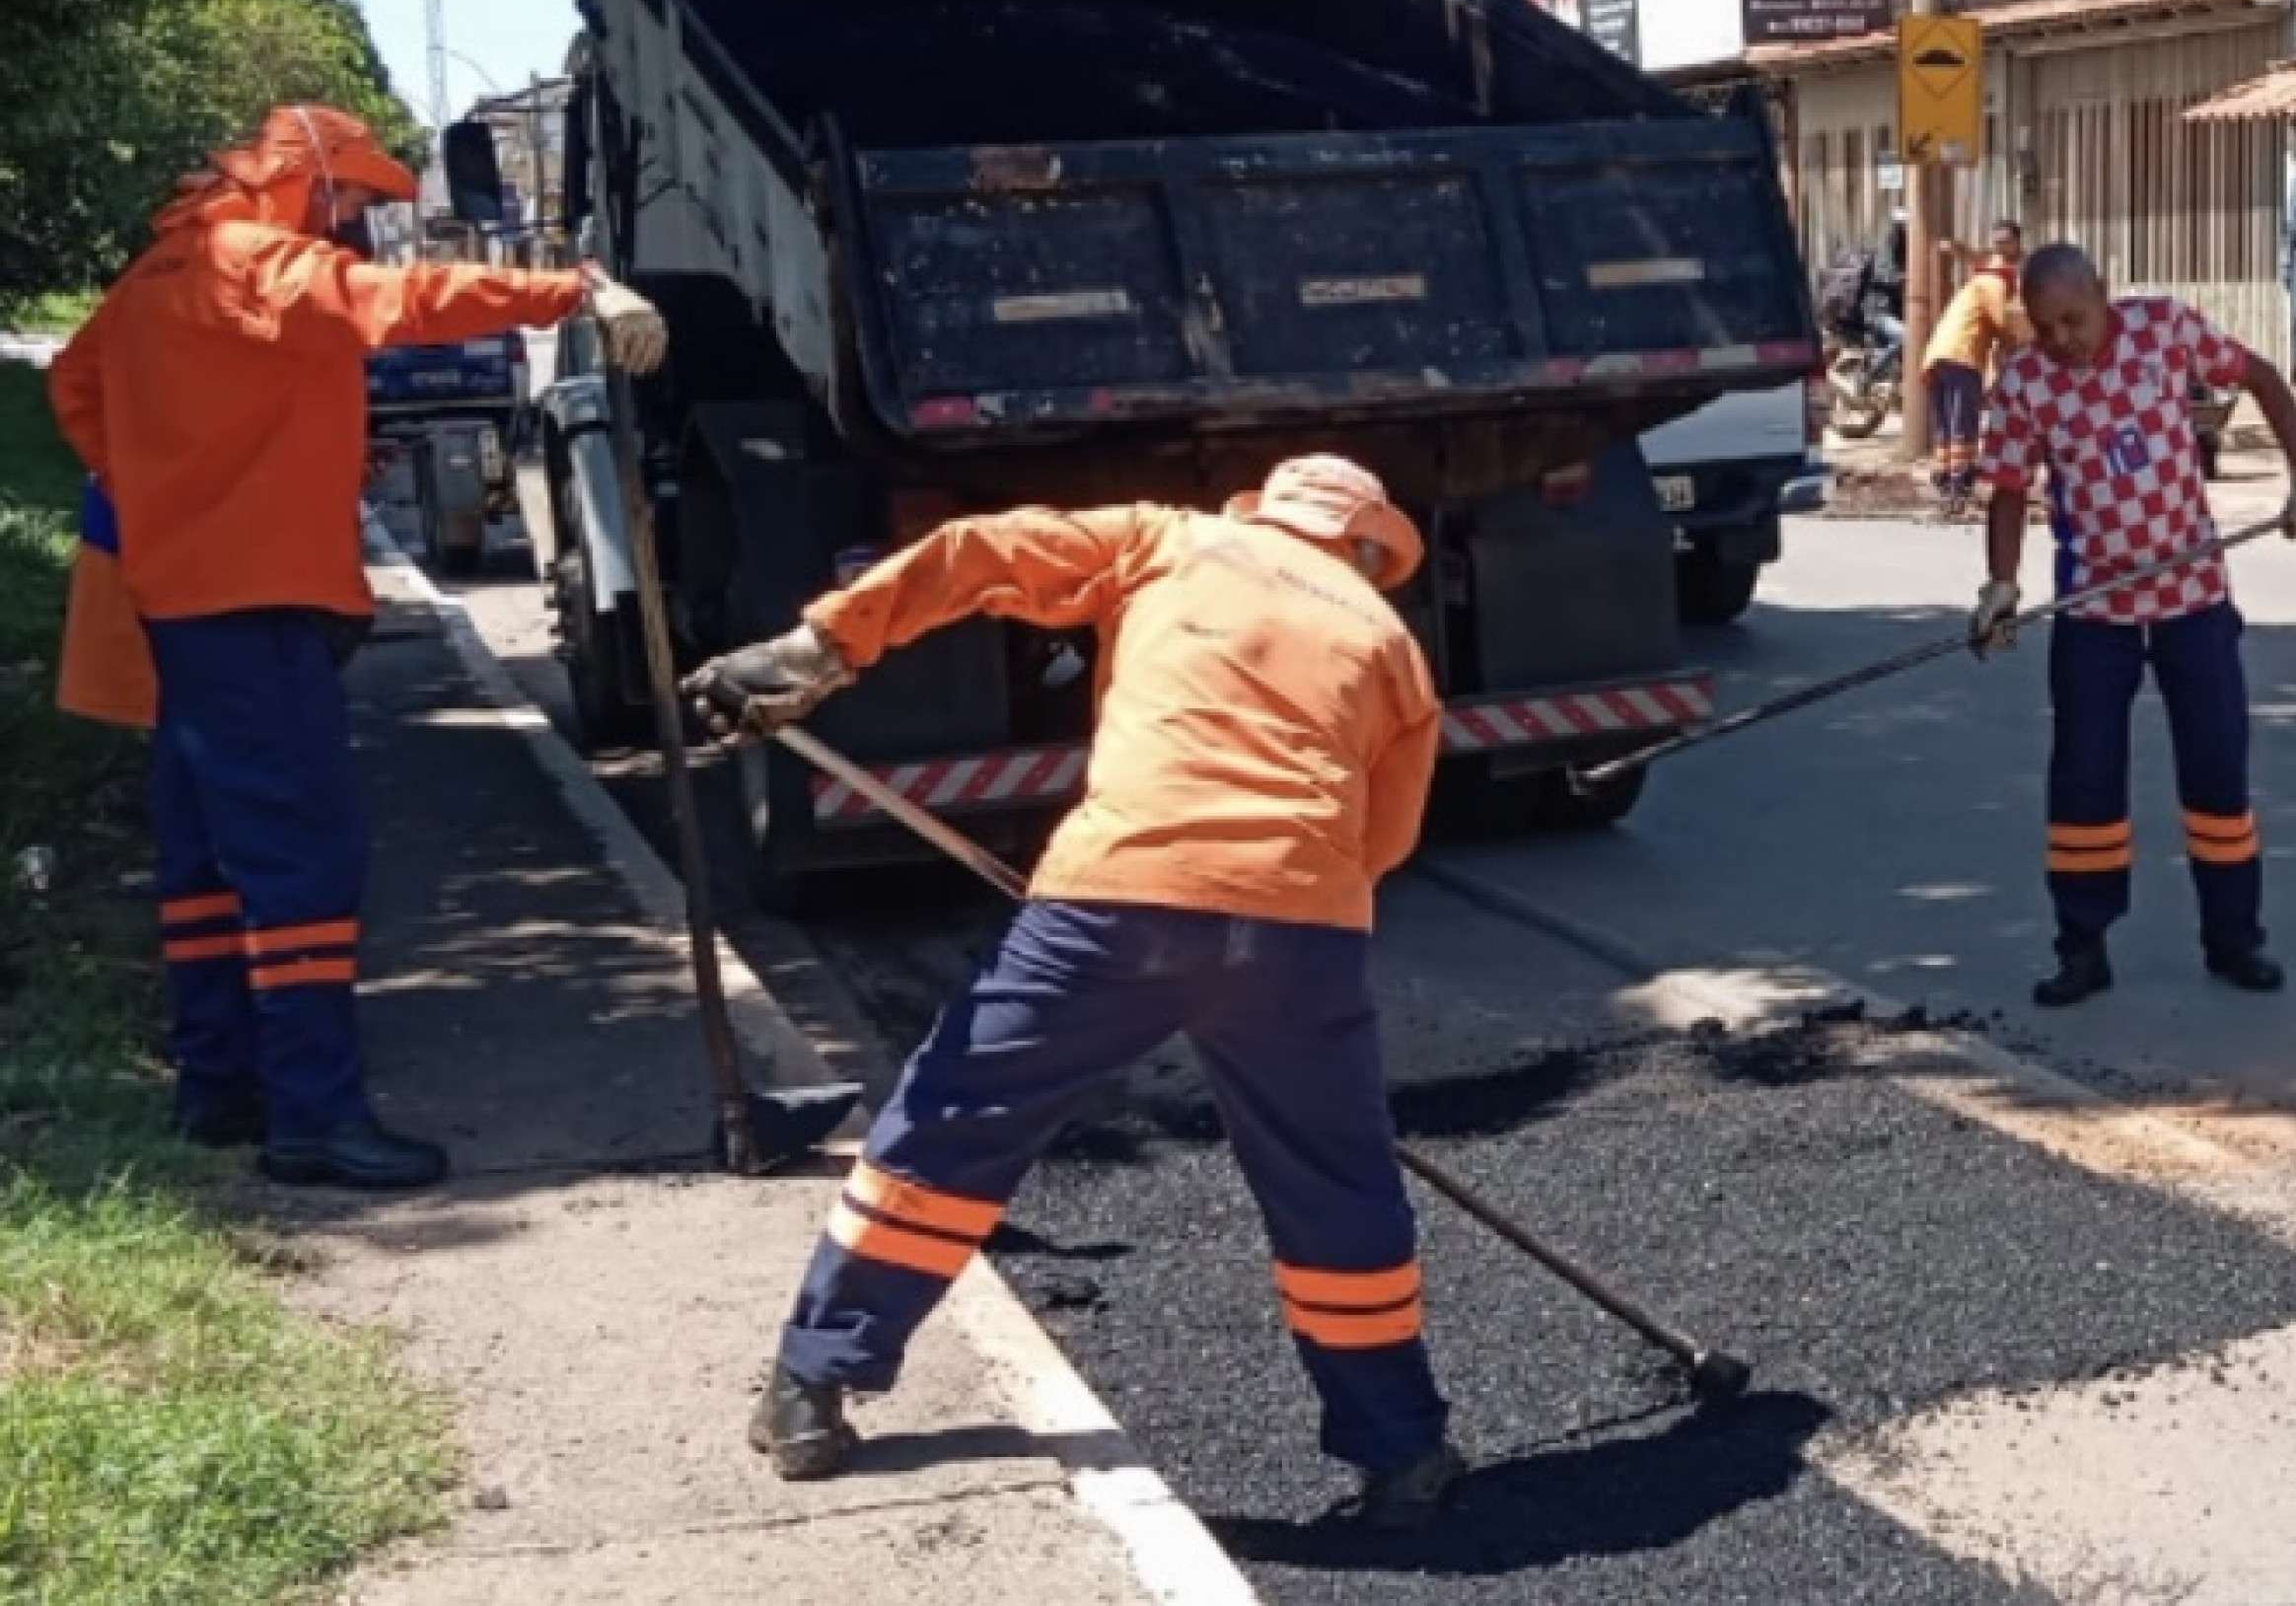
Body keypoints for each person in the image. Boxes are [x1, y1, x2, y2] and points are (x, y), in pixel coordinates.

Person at [686, 455, 1466, 1531]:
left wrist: (822, 642)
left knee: (955, 1120)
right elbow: (1386, 838)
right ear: (1370, 545)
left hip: (1114, 903)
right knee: (1337, 1183)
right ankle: (1404, 1449)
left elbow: (982, 554)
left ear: (1264, 509)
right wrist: (1261, 918)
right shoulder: (1388, 640)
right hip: (1301, 929)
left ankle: (813, 1390)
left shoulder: (1174, 537)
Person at [47, 106, 670, 1189]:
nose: (358, 226)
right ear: (309, 181)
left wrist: (175, 481)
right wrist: (567, 288)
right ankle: (313, 1117)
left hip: (184, 603)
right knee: (303, 855)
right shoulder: (260, 259)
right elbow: (400, 301)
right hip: (256, 605)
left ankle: (218, 1084)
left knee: (203, 855)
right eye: (356, 202)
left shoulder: (165, 269)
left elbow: (77, 387)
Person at [1971, 245, 2296, 1009]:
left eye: (2073, 318)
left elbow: (2261, 377)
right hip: (2094, 608)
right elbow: (2006, 487)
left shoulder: (2162, 330)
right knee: (2084, 777)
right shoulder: (2025, 383)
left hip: (2192, 596)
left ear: (2103, 294)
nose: (2063, 339)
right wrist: (2001, 585)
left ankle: (2234, 938)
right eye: (2045, 327)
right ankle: (2082, 946)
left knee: (2216, 768)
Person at [1922, 220, 2031, 514]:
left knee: (1946, 423)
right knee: (1962, 422)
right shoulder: (1993, 283)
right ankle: (1958, 486)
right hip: (1962, 355)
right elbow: (2004, 324)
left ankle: (1945, 478)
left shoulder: (1977, 282)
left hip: (1939, 354)